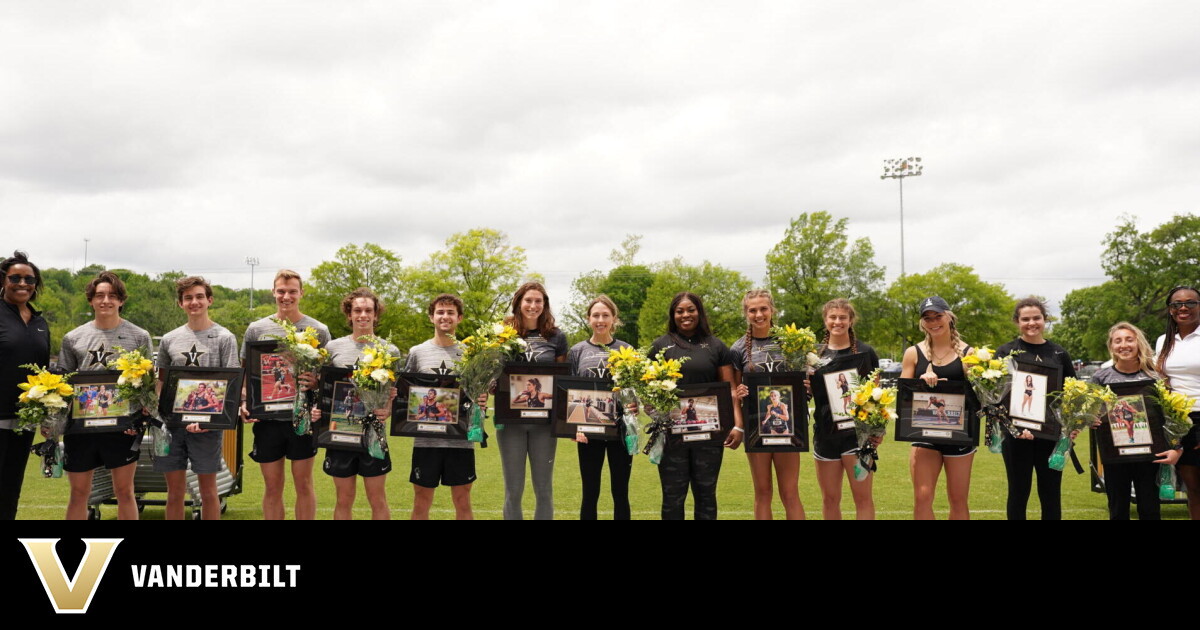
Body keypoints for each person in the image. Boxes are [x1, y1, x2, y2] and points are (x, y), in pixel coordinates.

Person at [59, 271, 152, 521]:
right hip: (80, 427)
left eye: (112, 295)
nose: (105, 300)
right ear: (91, 300)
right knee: (79, 493)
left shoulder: (139, 336)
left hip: (122, 427)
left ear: (121, 300)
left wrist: (146, 410)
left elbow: (147, 383)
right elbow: (62, 387)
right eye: (99, 295)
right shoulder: (73, 338)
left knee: (125, 491)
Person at [240, 269, 330, 521]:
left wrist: (316, 382)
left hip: (303, 419)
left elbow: (328, 377)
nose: (286, 296)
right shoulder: (256, 329)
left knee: (303, 484)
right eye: (281, 291)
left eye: (292, 291)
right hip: (267, 419)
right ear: (273, 292)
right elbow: (245, 372)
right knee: (272, 486)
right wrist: (246, 401)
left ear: (301, 293)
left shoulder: (318, 330)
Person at [650, 291, 744, 520]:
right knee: (673, 497)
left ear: (699, 312)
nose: (685, 315)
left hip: (709, 436)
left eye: (690, 310)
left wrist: (738, 425)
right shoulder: (660, 346)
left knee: (706, 495)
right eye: (679, 311)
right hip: (672, 436)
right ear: (673, 315)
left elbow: (730, 389)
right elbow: (649, 389)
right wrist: (651, 408)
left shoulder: (716, 346)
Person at [155, 276, 240, 520]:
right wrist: (159, 416)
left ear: (209, 300)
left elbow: (231, 385)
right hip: (173, 426)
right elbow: (161, 382)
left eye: (199, 296)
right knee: (174, 492)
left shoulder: (225, 337)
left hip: (207, 428)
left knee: (209, 492)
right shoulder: (169, 339)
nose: (194, 302)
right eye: (188, 298)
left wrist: (210, 422)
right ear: (180, 303)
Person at [318, 287, 397, 521]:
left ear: (376, 314)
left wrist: (388, 410)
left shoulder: (389, 350)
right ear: (349, 314)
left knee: (377, 498)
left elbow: (394, 393)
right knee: (343, 498)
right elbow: (324, 390)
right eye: (357, 310)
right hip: (340, 431)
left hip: (374, 432)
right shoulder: (333, 348)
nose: (363, 315)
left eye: (368, 310)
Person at [995, 297, 1076, 521]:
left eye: (1037, 318)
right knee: (1018, 492)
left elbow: (1072, 393)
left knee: (1051, 494)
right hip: (1015, 436)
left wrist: (1072, 426)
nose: (1032, 323)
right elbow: (997, 397)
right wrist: (1015, 427)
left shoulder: (1059, 354)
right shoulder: (1006, 352)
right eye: (1026, 319)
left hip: (1051, 436)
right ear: (1017, 322)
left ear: (1045, 319)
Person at [1092, 322, 1179, 520]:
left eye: (1129, 339)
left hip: (1150, 456)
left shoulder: (1155, 377)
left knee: (1150, 510)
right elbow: (1092, 411)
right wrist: (1091, 418)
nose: (1124, 345)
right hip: (1115, 457)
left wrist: (1176, 445)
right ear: (1111, 346)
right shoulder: (1100, 378)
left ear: (1138, 343)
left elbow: (1171, 416)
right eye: (1118, 341)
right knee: (1118, 511)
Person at [730, 289, 803, 520]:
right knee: (762, 492)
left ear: (772, 310)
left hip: (789, 427)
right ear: (746, 313)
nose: (758, 314)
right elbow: (734, 390)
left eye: (763, 308)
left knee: (790, 493)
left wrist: (806, 387)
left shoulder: (791, 343)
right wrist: (740, 391)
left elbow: (802, 382)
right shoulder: (738, 348)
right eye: (752, 310)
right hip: (756, 427)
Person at [900, 296, 975, 520]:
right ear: (922, 323)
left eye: (938, 316)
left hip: (960, 435)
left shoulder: (968, 353)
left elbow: (980, 397)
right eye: (927, 318)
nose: (933, 322)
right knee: (923, 497)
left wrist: (971, 377)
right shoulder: (913, 353)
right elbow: (903, 395)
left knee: (958, 499)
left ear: (949, 316)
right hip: (925, 433)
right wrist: (920, 382)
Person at [497, 282, 568, 520]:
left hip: (544, 424)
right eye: (528, 300)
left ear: (544, 305)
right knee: (513, 490)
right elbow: (493, 375)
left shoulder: (556, 337)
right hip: (510, 423)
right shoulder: (502, 334)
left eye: (539, 301)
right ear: (518, 303)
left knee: (544, 489)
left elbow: (562, 381)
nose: (533, 305)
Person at [404, 293, 477, 520]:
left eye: (450, 312)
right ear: (431, 317)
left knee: (462, 500)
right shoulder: (417, 352)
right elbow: (406, 394)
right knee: (421, 500)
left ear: (460, 318)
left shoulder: (471, 354)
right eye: (440, 312)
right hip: (426, 440)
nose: (445, 317)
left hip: (460, 440)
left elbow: (477, 390)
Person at [812, 298, 880, 520]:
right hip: (825, 436)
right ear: (825, 320)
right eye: (832, 317)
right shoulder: (814, 355)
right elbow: (807, 393)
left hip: (857, 438)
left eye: (843, 317)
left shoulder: (865, 352)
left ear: (851, 321)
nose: (837, 322)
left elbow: (877, 396)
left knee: (863, 499)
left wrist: (877, 431)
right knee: (830, 499)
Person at [567, 295, 635, 520]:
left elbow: (633, 390)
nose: (600, 320)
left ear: (614, 318)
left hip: (619, 432)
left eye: (605, 315)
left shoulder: (626, 349)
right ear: (588, 319)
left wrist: (633, 408)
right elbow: (569, 391)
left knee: (620, 491)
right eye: (595, 315)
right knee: (590, 492)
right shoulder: (577, 351)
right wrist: (573, 428)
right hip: (588, 433)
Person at [0, 251, 50, 520]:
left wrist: (47, 413)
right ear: (3, 280)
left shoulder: (40, 322)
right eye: (15, 278)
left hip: (24, 420)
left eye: (29, 279)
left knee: (11, 488)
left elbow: (45, 372)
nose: (22, 284)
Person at [1154, 286, 1200, 520]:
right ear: (1170, 310)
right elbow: (1162, 381)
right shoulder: (1163, 341)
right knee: (1192, 488)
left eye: (1190, 303)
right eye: (1176, 304)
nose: (1183, 308)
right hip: (1178, 421)